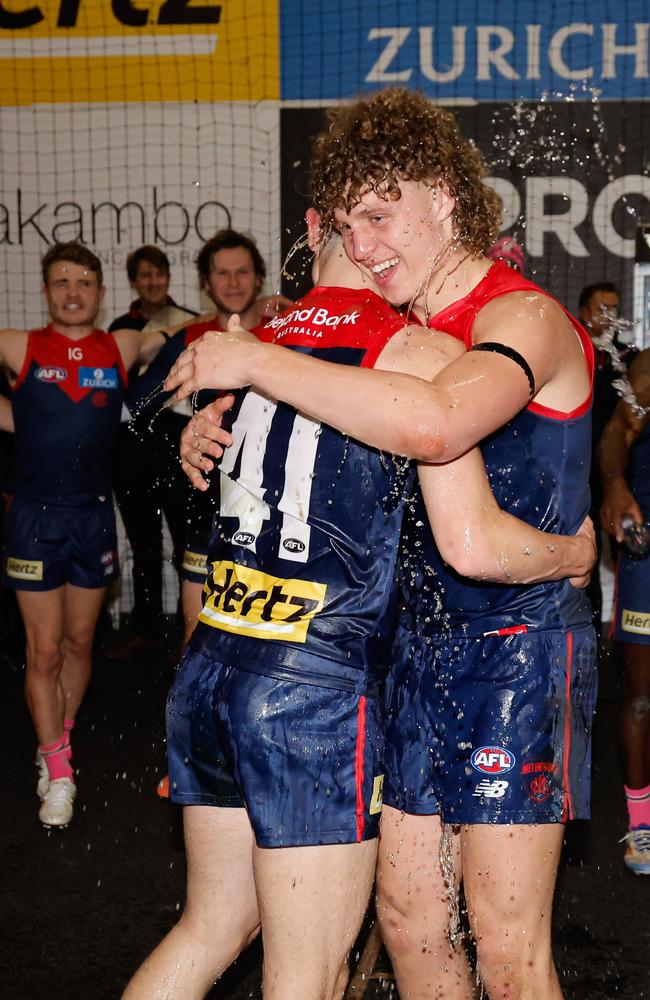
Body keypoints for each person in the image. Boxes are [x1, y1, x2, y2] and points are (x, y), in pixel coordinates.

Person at [167, 88, 598, 999]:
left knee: (509, 949)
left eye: (381, 214)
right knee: (406, 924)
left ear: (444, 196)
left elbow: (438, 426)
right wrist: (220, 421)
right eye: (348, 225)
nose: (362, 248)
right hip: (406, 650)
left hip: (514, 649)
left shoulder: (518, 318)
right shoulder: (397, 335)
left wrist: (250, 362)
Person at [0, 241, 169, 828]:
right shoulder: (20, 345)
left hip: (94, 516)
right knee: (42, 650)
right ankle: (59, 771)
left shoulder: (120, 345)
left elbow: (175, 338)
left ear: (100, 293)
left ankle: (57, 742)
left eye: (83, 283)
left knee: (78, 644)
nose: (72, 292)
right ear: (46, 292)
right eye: (60, 283)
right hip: (34, 519)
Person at [126, 229, 287, 649]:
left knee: (267, 642)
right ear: (206, 282)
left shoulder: (287, 329)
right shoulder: (190, 338)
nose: (233, 283)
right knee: (195, 638)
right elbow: (140, 403)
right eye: (222, 274)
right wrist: (179, 428)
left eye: (242, 272)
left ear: (258, 277)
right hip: (205, 504)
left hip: (276, 507)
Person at [600, 348, 650, 875]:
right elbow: (617, 430)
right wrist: (615, 484)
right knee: (642, 698)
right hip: (648, 556)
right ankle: (641, 827)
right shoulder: (649, 370)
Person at [579, 281, 637, 632]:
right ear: (584, 313)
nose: (608, 317)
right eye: (601, 309)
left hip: (617, 471)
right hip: (581, 468)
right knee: (586, 548)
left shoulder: (628, 360)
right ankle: (591, 628)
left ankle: (630, 624)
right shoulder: (573, 351)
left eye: (613, 309)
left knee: (623, 547)